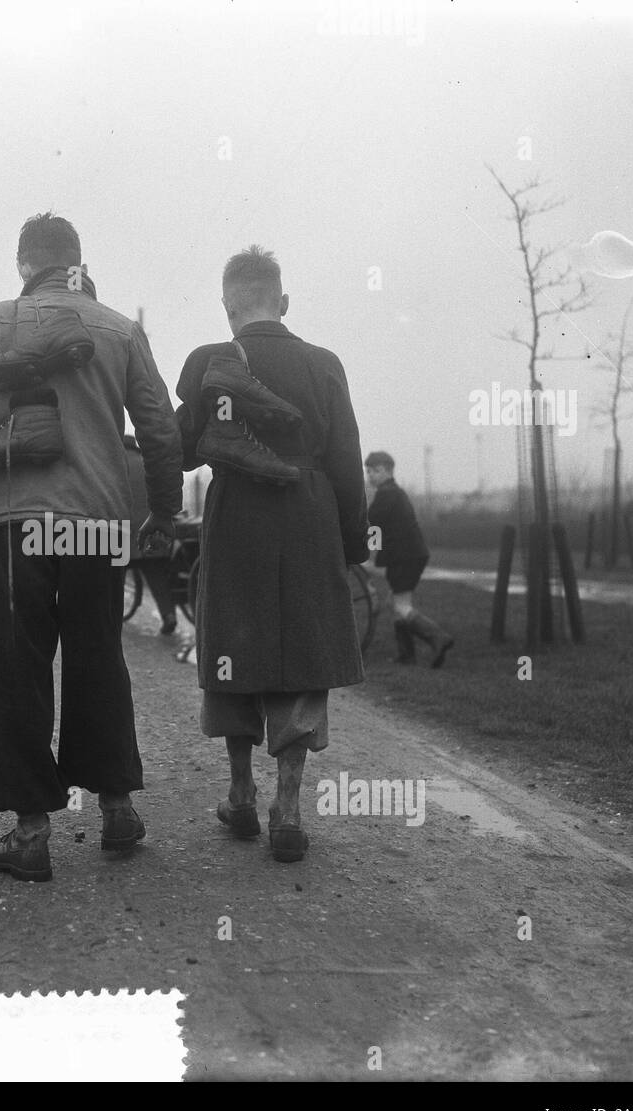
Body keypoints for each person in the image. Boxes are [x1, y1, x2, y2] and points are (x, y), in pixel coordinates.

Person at [0, 213, 182, 882]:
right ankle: (115, 808)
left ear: (25, 264)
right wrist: (163, 511)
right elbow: (160, 430)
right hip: (97, 521)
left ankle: (30, 831)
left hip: (14, 518)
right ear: (78, 262)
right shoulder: (120, 327)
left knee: (14, 666)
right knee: (96, 656)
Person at [175, 245, 368, 864]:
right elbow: (346, 459)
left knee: (233, 640)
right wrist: (353, 541)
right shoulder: (323, 363)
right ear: (282, 302)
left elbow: (179, 450)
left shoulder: (212, 360)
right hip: (310, 511)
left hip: (237, 516)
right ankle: (287, 806)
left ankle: (240, 793)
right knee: (303, 645)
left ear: (228, 306)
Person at [364, 451, 454, 667]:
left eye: (375, 471)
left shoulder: (387, 495)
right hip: (411, 555)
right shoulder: (395, 492)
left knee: (401, 607)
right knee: (395, 603)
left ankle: (438, 638)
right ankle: (406, 655)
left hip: (404, 557)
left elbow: (370, 524)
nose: (370, 476)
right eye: (368, 471)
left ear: (387, 471)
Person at [123, 434, 178, 635]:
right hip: (149, 530)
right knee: (157, 577)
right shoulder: (146, 464)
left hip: (120, 533)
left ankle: (110, 616)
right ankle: (169, 615)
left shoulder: (115, 463)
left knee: (113, 578)